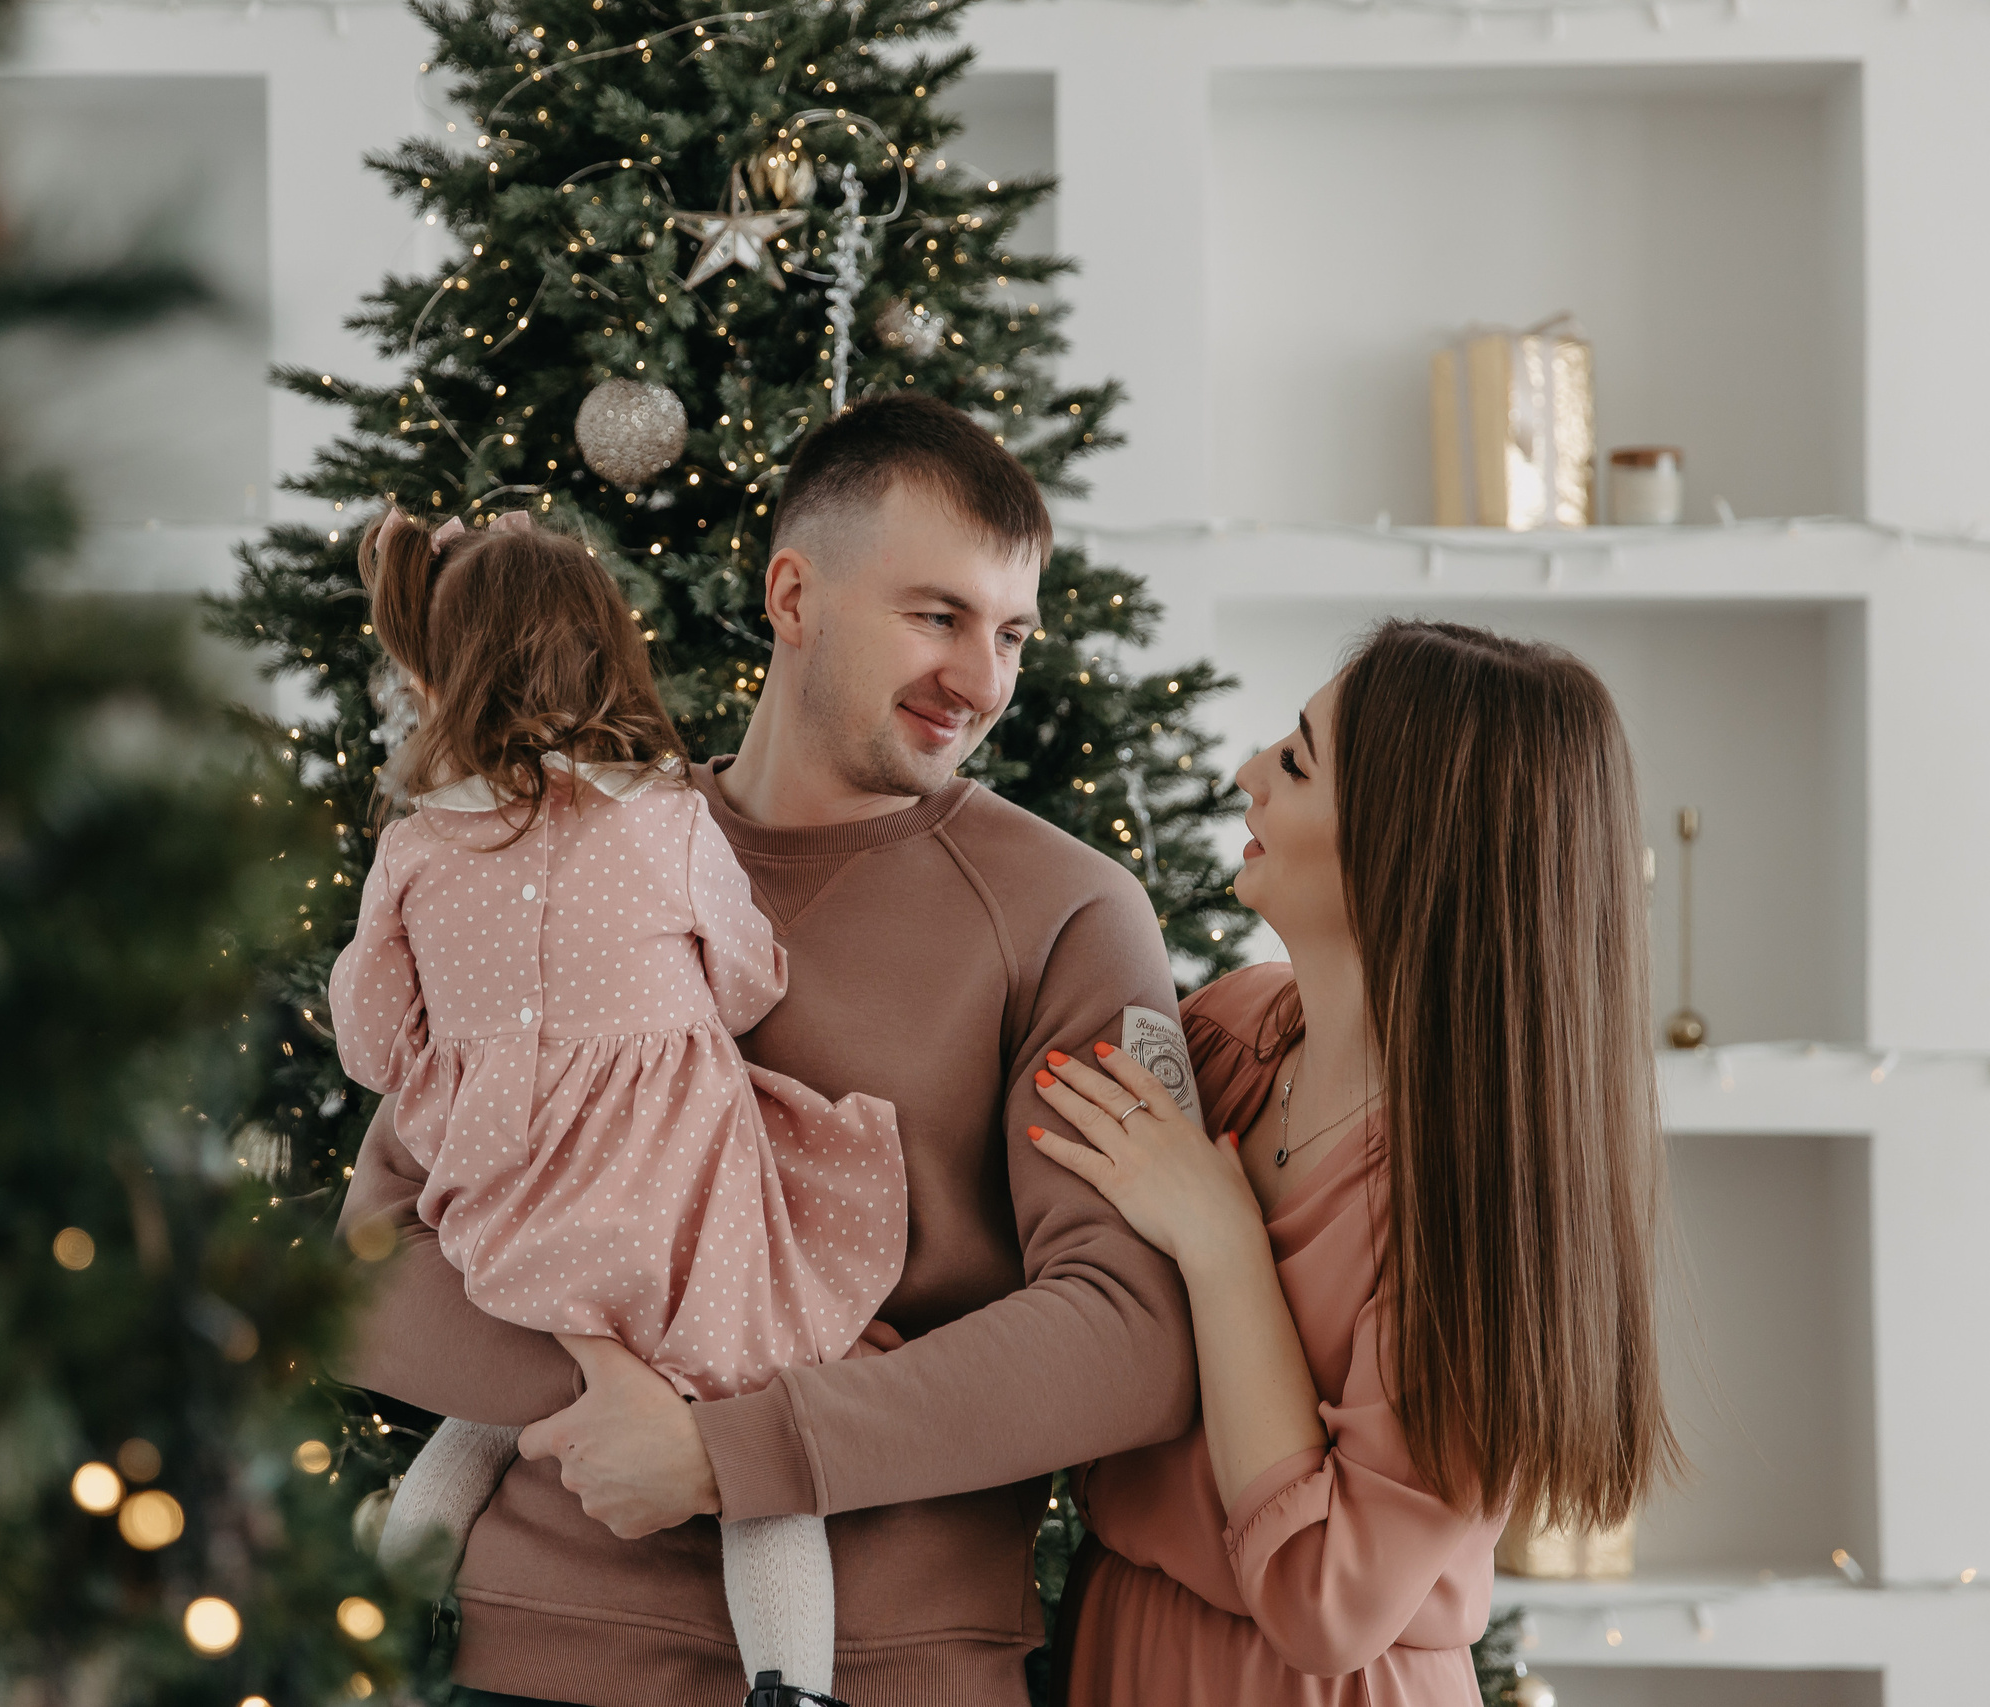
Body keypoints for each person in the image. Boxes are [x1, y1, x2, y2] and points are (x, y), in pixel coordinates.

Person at [332, 393, 1198, 1707]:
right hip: (526, 1659)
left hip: (883, 1672)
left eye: (1012, 631)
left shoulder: (1067, 911)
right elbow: (373, 1263)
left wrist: (732, 1447)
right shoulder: (556, 849)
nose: (985, 678)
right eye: (937, 615)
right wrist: (621, 1390)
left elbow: (1130, 1334)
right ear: (795, 595)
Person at [1026, 620, 1677, 1705]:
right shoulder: (1224, 1039)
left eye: (1292, 761)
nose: (1243, 776)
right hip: (1119, 1645)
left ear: (1408, 838)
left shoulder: (1472, 1211)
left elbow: (1325, 1602)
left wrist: (1224, 1243)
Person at [327, 504, 909, 1706]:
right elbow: (749, 981)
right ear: (606, 644)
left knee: (483, 1418)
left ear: (441, 662)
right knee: (752, 1421)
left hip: (510, 1200)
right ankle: (789, 1687)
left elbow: (372, 1047)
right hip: (671, 1192)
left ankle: (373, 1630)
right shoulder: (666, 816)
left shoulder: (417, 849)